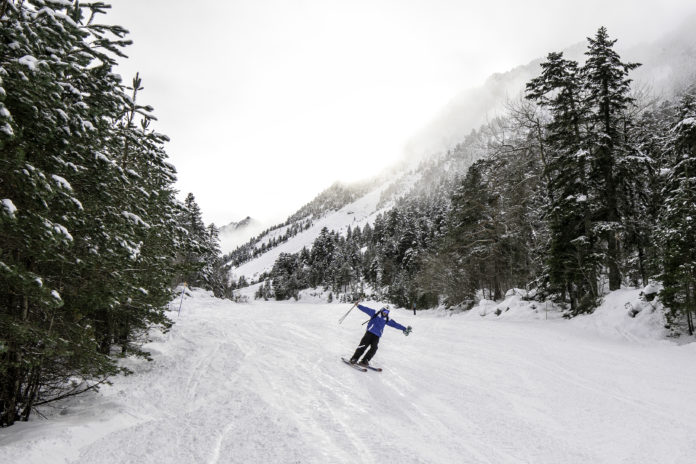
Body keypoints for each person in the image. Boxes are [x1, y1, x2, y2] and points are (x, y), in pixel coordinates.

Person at [349, 302, 412, 367]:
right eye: (384, 311)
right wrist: (358, 305)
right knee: (363, 346)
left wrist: (404, 329)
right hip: (369, 333)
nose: (385, 313)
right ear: (382, 310)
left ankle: (365, 360)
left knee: (374, 348)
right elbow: (366, 309)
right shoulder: (375, 313)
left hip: (377, 336)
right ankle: (354, 358)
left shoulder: (387, 319)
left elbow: (395, 324)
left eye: (387, 312)